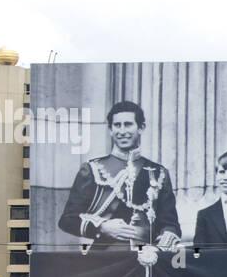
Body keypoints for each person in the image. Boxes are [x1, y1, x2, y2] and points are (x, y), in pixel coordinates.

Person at [58, 100, 182, 249]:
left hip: (146, 259)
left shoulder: (158, 172)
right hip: (104, 258)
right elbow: (68, 220)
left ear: (141, 128)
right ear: (110, 130)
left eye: (128, 124)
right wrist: (102, 227)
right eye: (117, 125)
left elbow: (171, 225)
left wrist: (158, 249)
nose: (122, 131)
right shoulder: (92, 169)